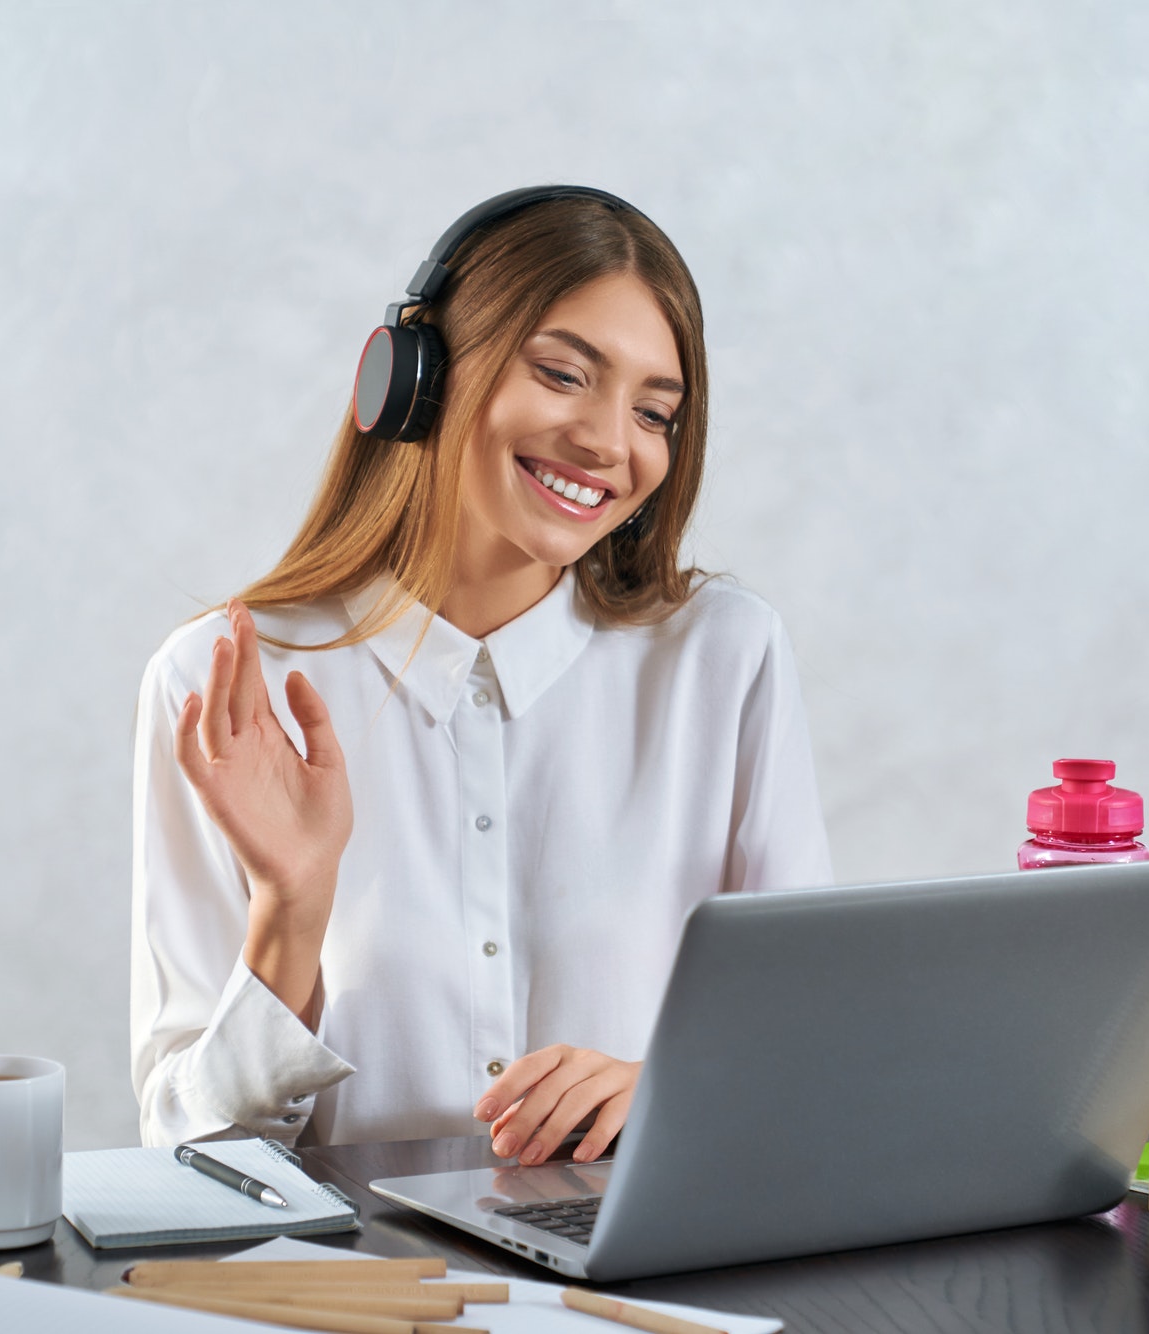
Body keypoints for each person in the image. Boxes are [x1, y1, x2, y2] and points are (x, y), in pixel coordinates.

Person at [131, 187, 831, 1169]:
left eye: (652, 412)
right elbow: (188, 1153)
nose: (608, 441)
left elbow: (808, 1059)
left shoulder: (725, 658)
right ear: (418, 377)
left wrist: (675, 1088)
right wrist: (292, 902)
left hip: (636, 1262)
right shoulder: (224, 682)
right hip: (355, 1267)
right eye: (562, 373)